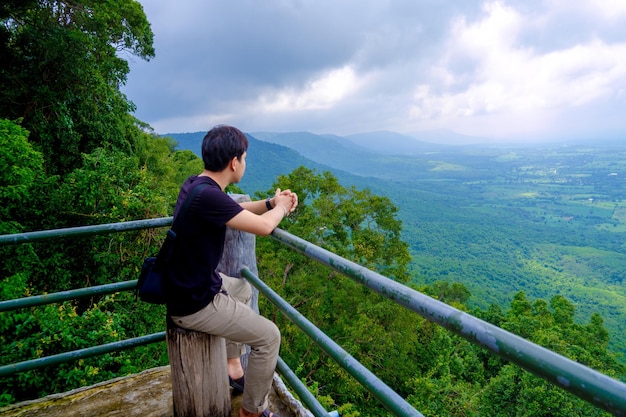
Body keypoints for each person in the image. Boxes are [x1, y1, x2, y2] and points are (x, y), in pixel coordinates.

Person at [166, 125, 297, 417]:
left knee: (243, 288)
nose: (245, 163)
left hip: (187, 285)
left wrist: (270, 203)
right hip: (194, 302)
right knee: (269, 337)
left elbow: (233, 209)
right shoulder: (208, 197)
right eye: (245, 158)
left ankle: (233, 364)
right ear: (234, 162)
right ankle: (251, 411)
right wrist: (284, 207)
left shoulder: (197, 184)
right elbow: (264, 227)